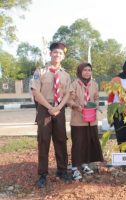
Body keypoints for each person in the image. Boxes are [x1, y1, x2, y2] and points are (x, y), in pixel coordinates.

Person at [31, 42, 72, 188]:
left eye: (60, 53)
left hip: (59, 109)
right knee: (43, 140)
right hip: (44, 109)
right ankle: (42, 174)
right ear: (50, 54)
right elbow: (36, 92)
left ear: (63, 56)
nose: (57, 55)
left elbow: (68, 93)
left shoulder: (66, 74)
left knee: (61, 139)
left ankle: (62, 170)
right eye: (55, 52)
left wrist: (58, 107)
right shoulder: (40, 71)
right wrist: (50, 107)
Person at [68, 62, 104, 180]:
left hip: (91, 119)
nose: (87, 72)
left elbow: (97, 97)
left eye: (89, 70)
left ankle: (84, 164)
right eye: (85, 70)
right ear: (80, 71)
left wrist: (96, 105)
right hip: (78, 120)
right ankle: (74, 168)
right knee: (78, 144)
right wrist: (78, 107)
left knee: (88, 142)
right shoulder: (74, 84)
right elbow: (69, 100)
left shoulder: (94, 84)